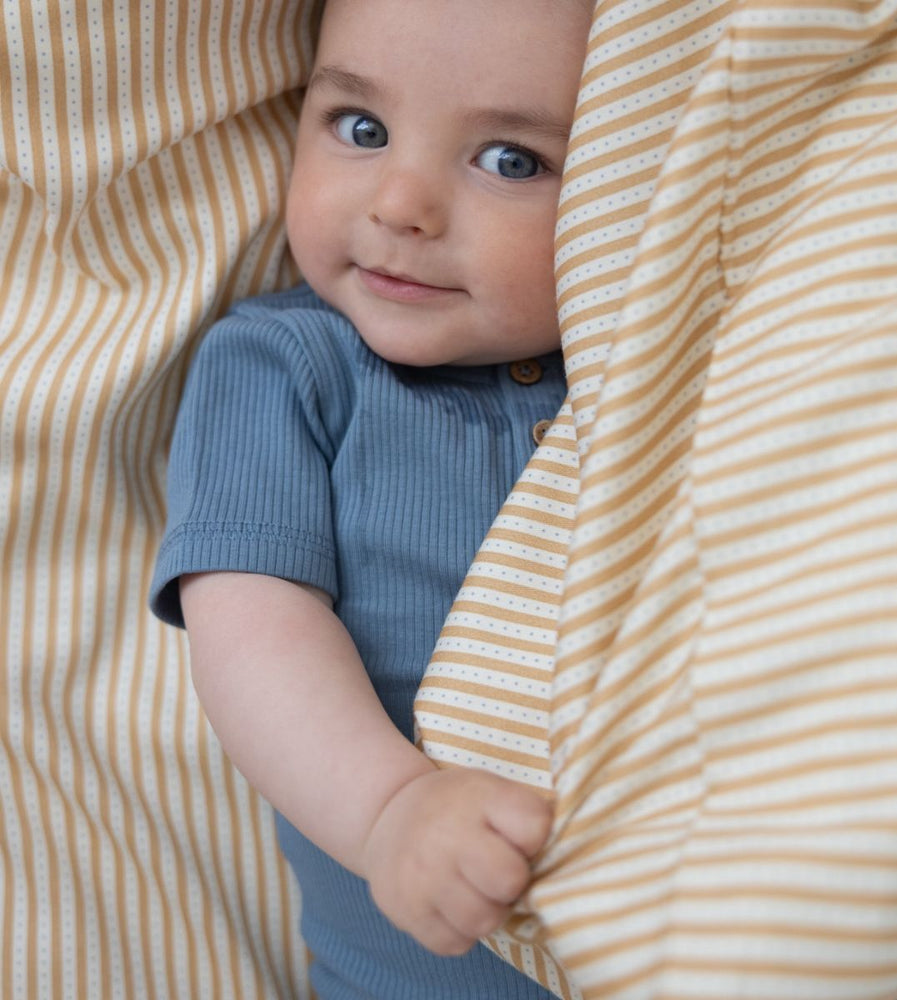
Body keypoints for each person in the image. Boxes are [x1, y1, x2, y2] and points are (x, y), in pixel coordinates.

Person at [149, 0, 591, 996]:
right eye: (359, 128)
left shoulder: (647, 376)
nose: (400, 203)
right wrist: (392, 809)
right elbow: (252, 628)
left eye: (511, 160)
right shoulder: (285, 363)